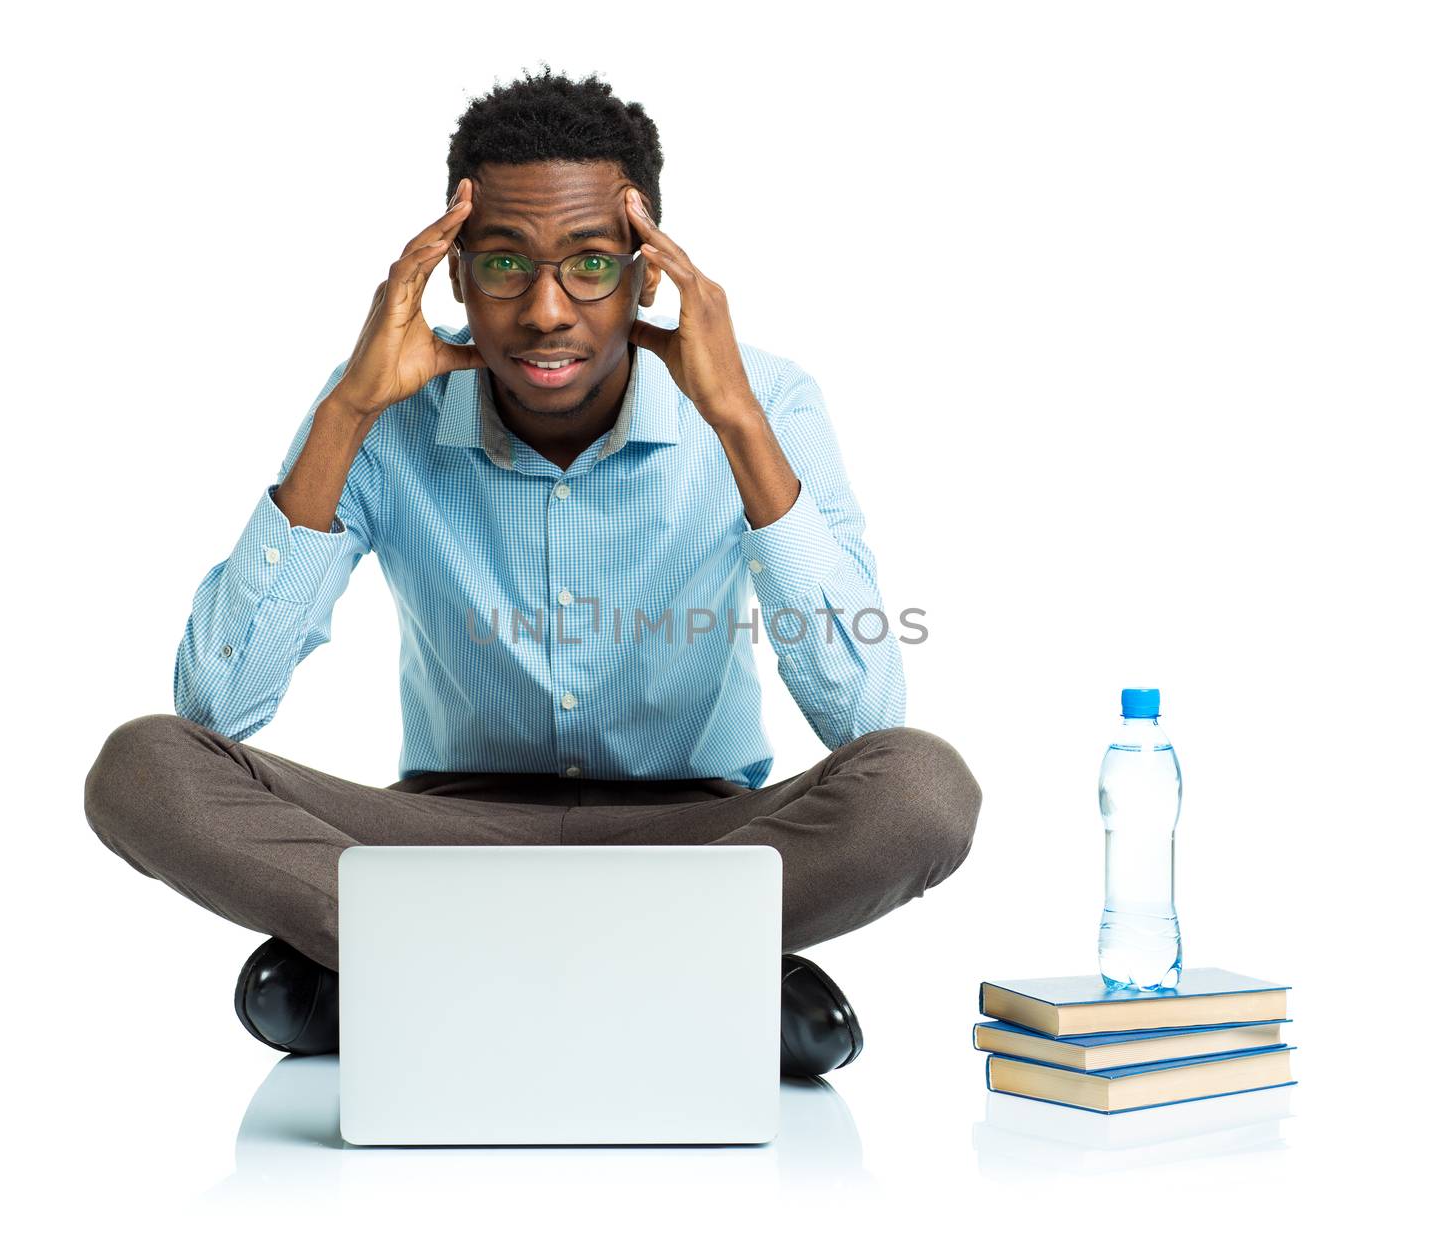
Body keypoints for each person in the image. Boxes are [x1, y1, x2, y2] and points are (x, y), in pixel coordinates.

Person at [84, 68, 982, 1077]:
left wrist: (738, 425)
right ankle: (695, 975)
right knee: (143, 769)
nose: (546, 309)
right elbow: (217, 704)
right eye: (505, 262)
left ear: (649, 275)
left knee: (923, 790)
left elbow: (869, 719)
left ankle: (405, 972)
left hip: (700, 839)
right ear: (455, 275)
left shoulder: (764, 397)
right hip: (438, 839)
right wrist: (344, 416)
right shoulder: (379, 404)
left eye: (590, 264)